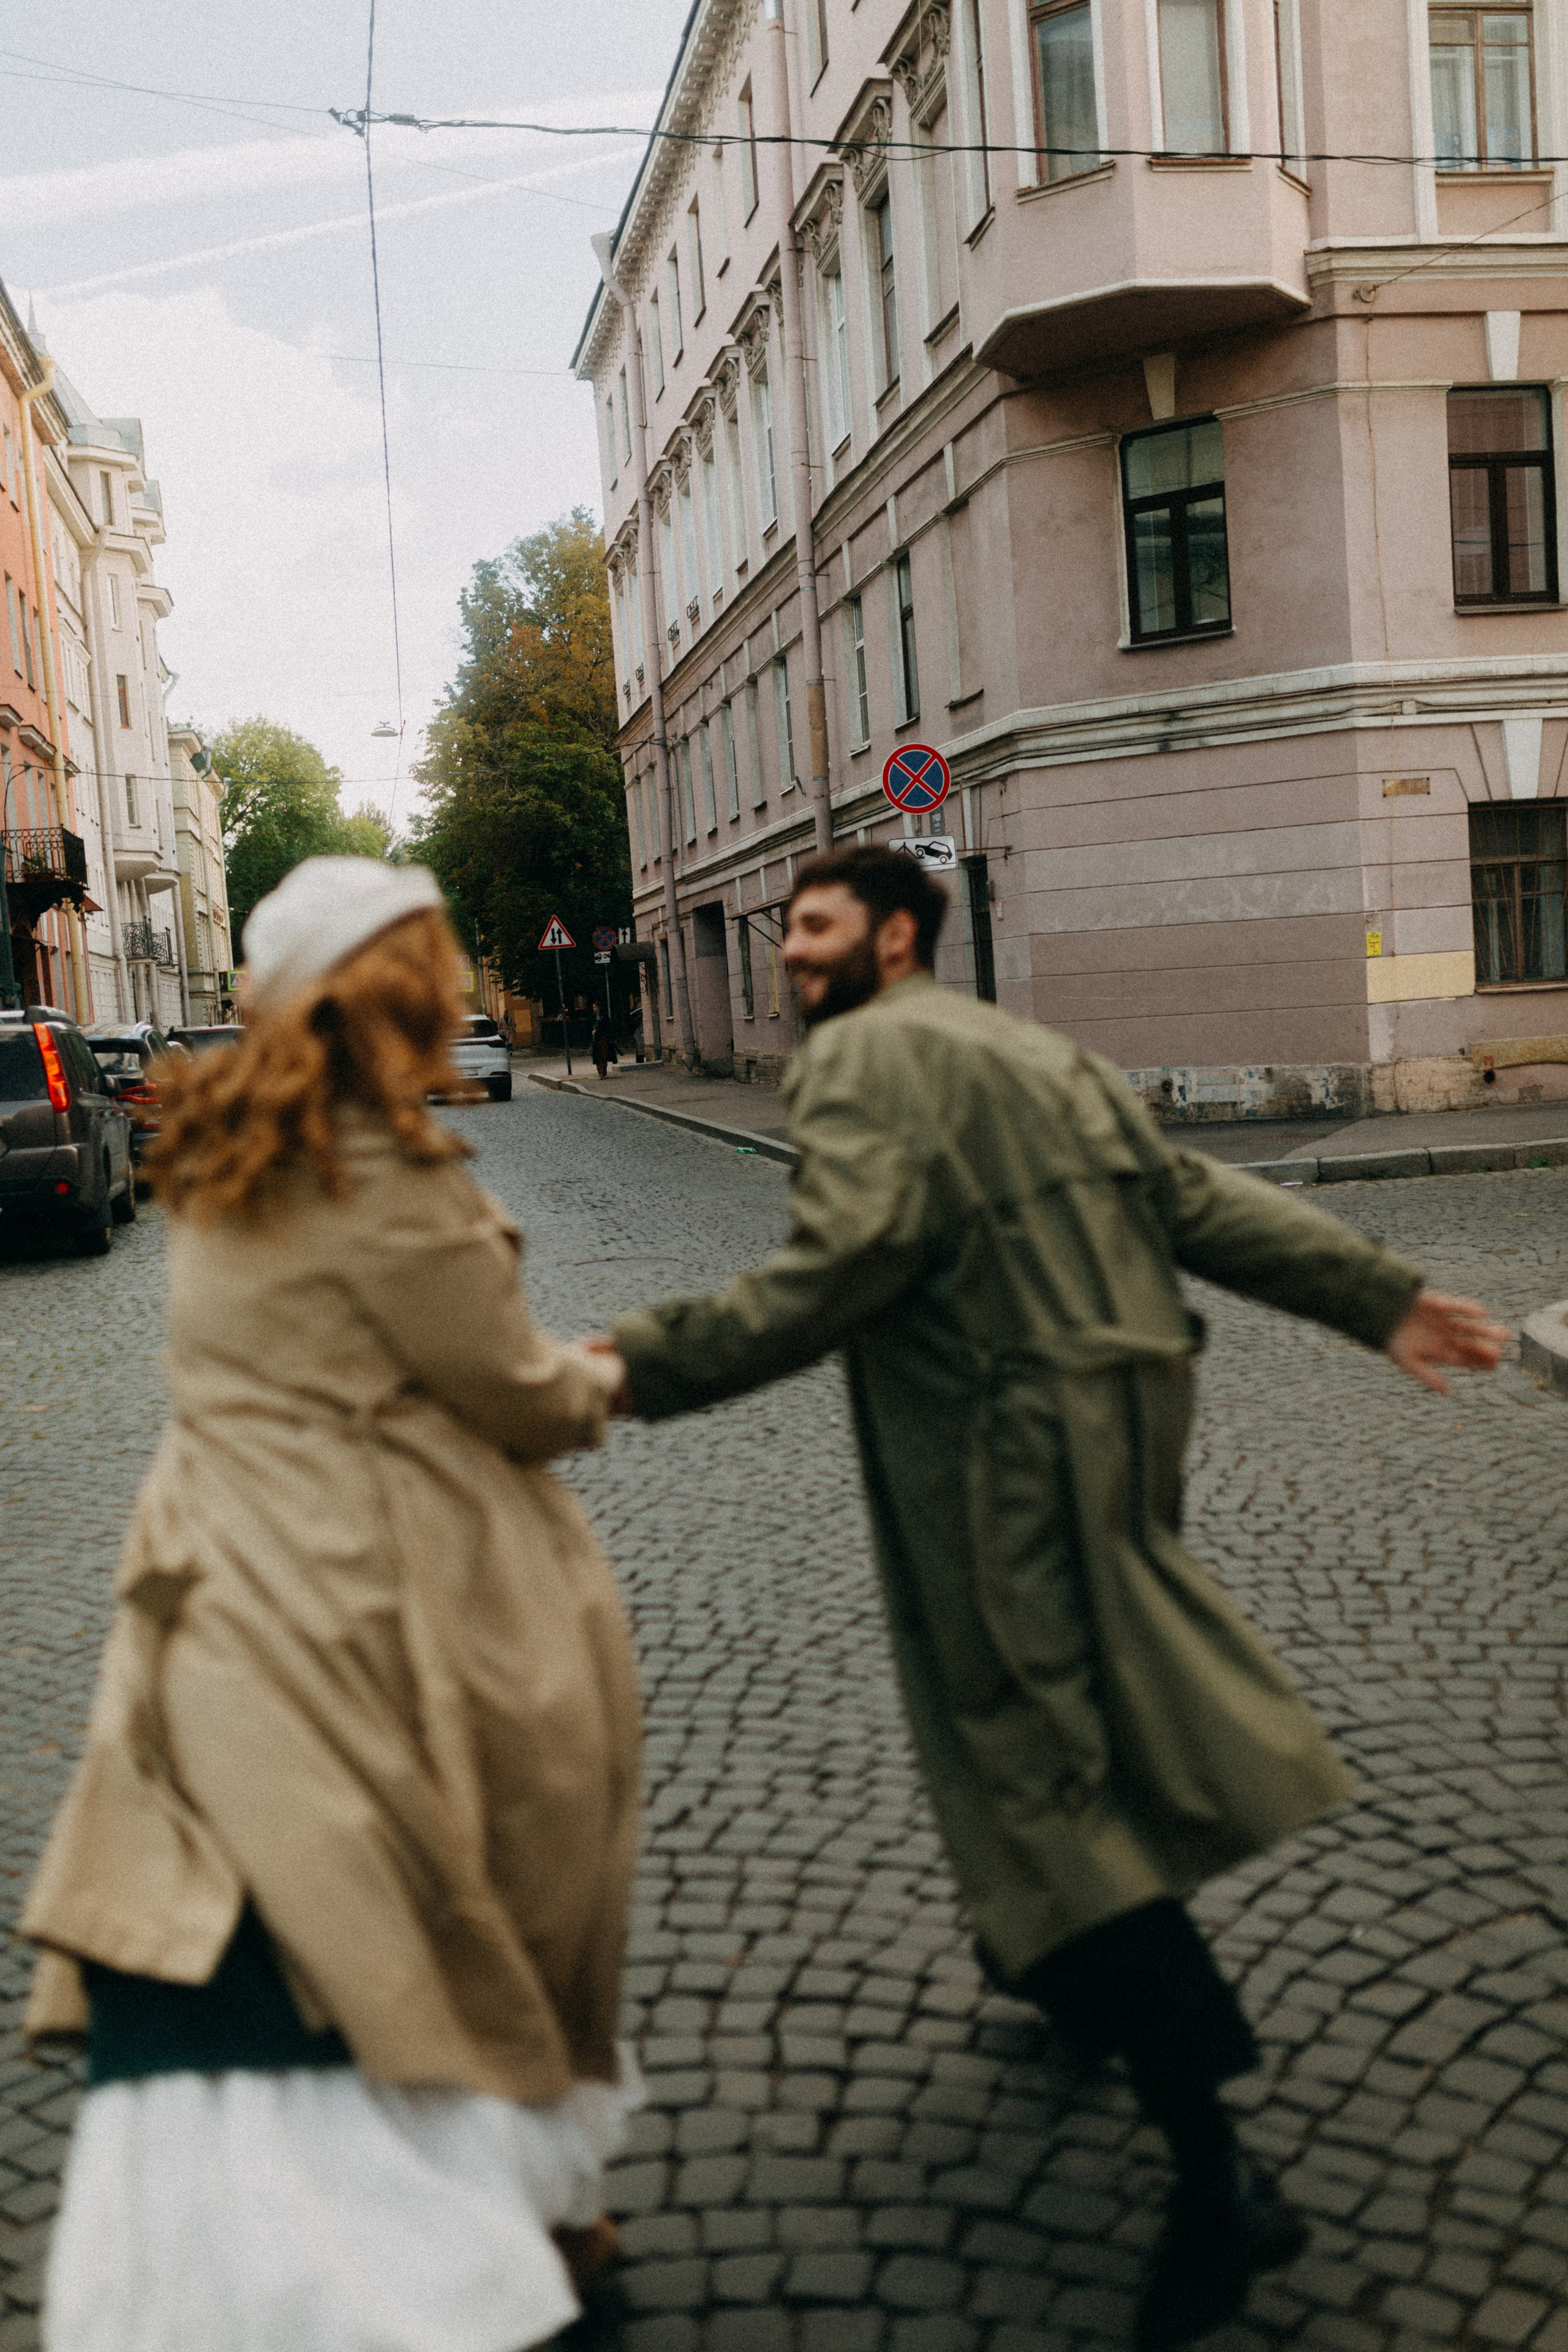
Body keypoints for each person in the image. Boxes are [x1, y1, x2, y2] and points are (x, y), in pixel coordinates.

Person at [594, 845, 1506, 2351]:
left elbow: (846, 1263)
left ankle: (1213, 2166)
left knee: (1032, 1754)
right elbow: (1183, 1195)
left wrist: (637, 1360)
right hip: (1125, 1412)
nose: (789, 956)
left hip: (997, 1437)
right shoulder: (1025, 1048)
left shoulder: (857, 1060)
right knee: (1081, 1690)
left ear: (895, 938)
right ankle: (1045, 1966)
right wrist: (1366, 1289)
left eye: (814, 929)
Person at [23, 858, 641, 2352]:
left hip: (212, 1580)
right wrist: (608, 1368)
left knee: (257, 1895)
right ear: (394, 992)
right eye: (433, 967)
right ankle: (447, 2261)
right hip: (358, 1590)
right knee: (459, 1868)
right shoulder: (381, 1176)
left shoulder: (231, 1154)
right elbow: (513, 1388)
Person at [591, 1010, 619, 1082]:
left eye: (595, 1007)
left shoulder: (604, 1017)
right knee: (597, 1055)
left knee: (604, 1055)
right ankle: (600, 1071)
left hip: (603, 1038)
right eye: (593, 1007)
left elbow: (608, 1028)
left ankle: (604, 1069)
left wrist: (609, 1037)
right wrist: (593, 1031)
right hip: (596, 1039)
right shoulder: (594, 1017)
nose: (594, 1009)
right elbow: (590, 1026)